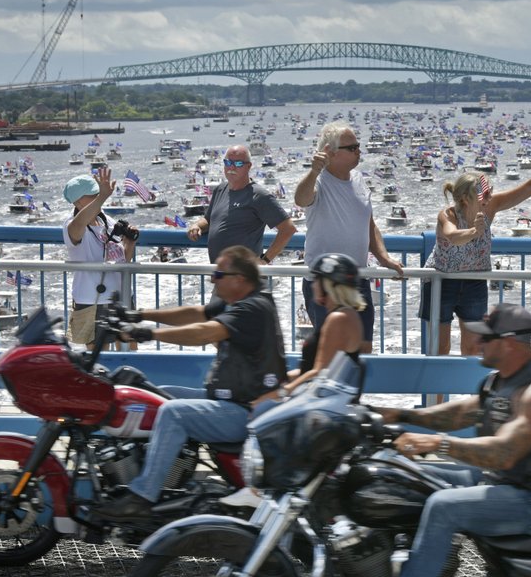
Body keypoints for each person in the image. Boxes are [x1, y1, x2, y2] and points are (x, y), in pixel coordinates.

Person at [326, 303, 531, 577]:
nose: (475, 344)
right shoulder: (500, 382)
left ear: (510, 342)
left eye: (485, 338)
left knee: (445, 506)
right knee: (406, 477)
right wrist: (393, 415)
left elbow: (504, 453)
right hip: (502, 483)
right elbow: (459, 413)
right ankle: (424, 575)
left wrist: (438, 443)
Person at [95, 246, 287, 521]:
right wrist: (139, 315)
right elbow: (195, 314)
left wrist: (147, 333)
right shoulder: (237, 301)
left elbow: (204, 332)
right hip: (225, 399)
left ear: (240, 279)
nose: (212, 279)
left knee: (173, 413)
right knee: (151, 393)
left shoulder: (253, 308)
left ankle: (142, 496)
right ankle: (152, 472)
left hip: (244, 410)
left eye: (219, 274)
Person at [220, 252, 366, 508]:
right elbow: (317, 368)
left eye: (317, 280)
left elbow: (318, 372)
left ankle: (255, 491)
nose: (312, 285)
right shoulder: (349, 315)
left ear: (328, 283)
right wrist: (279, 381)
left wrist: (276, 394)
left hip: (322, 404)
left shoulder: (338, 319)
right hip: (331, 399)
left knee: (261, 412)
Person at [423, 161, 531, 362]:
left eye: (489, 192)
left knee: (472, 350)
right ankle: (437, 394)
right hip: (441, 281)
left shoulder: (489, 207)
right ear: (466, 199)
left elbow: (526, 189)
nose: (489, 197)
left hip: (474, 281)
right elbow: (452, 236)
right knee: (440, 349)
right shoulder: (447, 214)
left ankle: (468, 392)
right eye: (484, 194)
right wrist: (473, 231)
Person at [294, 121, 404, 353]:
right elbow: (301, 200)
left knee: (363, 351)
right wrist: (313, 170)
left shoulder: (358, 179)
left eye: (358, 145)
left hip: (358, 278)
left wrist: (384, 258)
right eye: (352, 147)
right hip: (325, 284)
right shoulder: (319, 181)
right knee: (331, 352)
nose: (359, 150)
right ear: (330, 153)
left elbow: (369, 224)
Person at [62, 168, 138, 349]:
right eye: (93, 194)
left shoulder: (107, 222)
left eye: (99, 193)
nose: (98, 196)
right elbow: (80, 223)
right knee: (98, 358)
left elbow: (121, 261)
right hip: (92, 300)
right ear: (78, 202)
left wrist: (130, 243)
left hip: (122, 295)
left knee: (131, 351)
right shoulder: (71, 226)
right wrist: (102, 197)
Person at [186, 144, 296, 264]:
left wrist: (264, 260)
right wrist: (196, 225)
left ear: (248, 166)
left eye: (238, 164)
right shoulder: (220, 189)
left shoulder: (259, 195)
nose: (231, 167)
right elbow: (209, 220)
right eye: (228, 163)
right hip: (221, 274)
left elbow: (288, 229)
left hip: (245, 277)